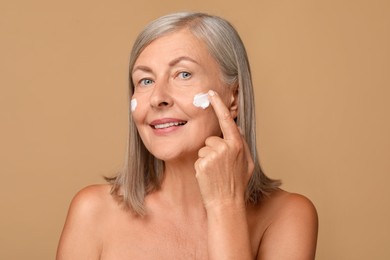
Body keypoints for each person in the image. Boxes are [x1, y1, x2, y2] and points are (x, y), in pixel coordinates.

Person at [56, 12, 318, 260]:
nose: (158, 98)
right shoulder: (92, 211)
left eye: (183, 74)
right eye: (145, 81)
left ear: (234, 97)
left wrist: (225, 207)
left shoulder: (288, 215)